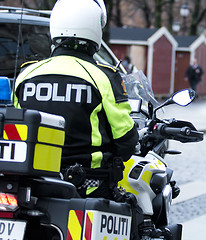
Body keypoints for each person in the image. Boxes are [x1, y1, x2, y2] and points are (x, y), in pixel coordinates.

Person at [13, 0, 139, 199]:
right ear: (95, 29)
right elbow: (125, 140)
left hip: (32, 185)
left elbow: (16, 126)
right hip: (88, 188)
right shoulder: (103, 77)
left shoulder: (26, 74)